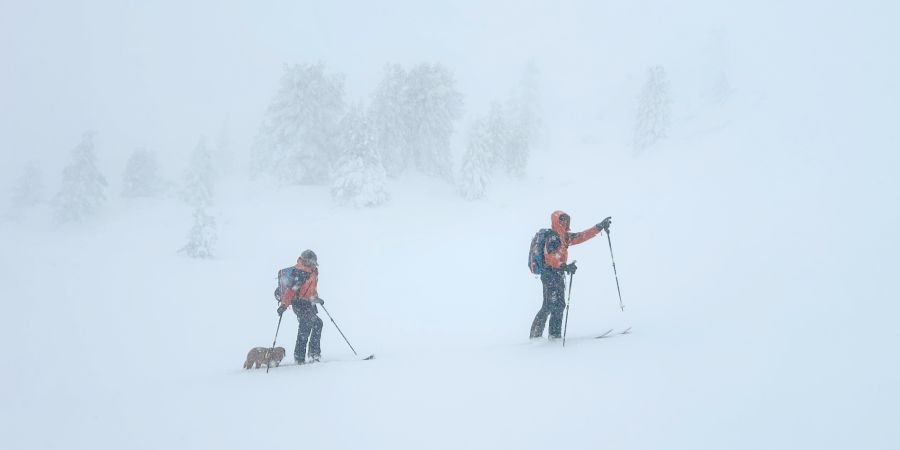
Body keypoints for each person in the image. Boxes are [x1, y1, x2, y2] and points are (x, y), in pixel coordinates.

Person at [530, 212, 611, 339]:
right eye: (562, 220)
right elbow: (549, 257)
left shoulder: (564, 237)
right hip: (549, 274)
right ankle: (535, 337)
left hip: (558, 274)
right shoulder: (552, 237)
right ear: (556, 221)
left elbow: (581, 236)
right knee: (548, 305)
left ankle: (554, 335)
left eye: (566, 220)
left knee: (560, 305)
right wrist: (563, 265)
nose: (564, 222)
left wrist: (599, 227)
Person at [277, 249, 325, 364]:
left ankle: (312, 354)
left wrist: (316, 298)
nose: (314, 264)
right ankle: (301, 357)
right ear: (307, 261)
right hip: (298, 303)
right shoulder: (300, 273)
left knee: (317, 323)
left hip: (308, 303)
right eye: (312, 262)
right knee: (306, 325)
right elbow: (291, 291)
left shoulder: (313, 272)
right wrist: (284, 305)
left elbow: (310, 290)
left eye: (314, 262)